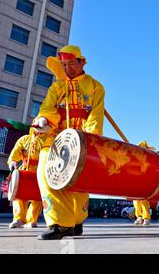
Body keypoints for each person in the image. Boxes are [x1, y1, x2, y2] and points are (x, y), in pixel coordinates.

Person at [34, 45, 105, 240]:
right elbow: (48, 108)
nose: (67, 68)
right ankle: (60, 223)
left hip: (81, 139)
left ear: (81, 62)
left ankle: (76, 221)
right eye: (64, 65)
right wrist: (44, 121)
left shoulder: (95, 86)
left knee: (79, 182)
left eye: (71, 63)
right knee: (46, 174)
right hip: (55, 138)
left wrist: (89, 139)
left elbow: (95, 116)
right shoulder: (57, 87)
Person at [7, 128, 44, 229]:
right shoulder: (24, 139)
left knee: (38, 198)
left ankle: (32, 220)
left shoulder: (48, 140)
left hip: (39, 171)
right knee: (19, 195)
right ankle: (19, 219)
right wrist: (13, 161)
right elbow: (16, 150)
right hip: (24, 170)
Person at [132, 141, 155, 226]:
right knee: (136, 201)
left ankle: (146, 218)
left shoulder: (148, 159)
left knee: (144, 200)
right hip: (136, 182)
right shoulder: (135, 159)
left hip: (144, 182)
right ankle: (139, 217)